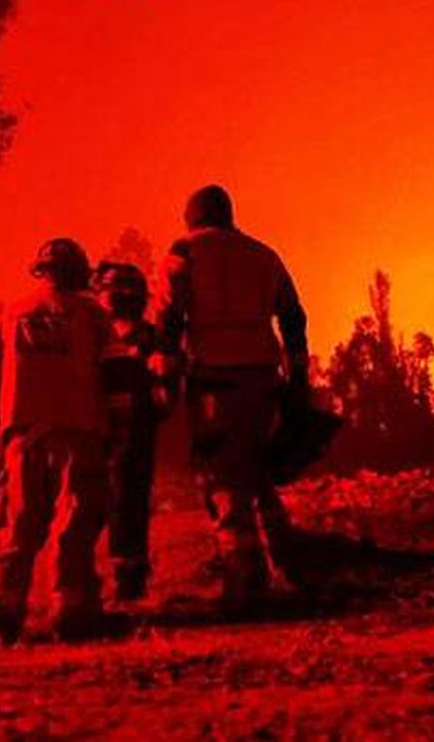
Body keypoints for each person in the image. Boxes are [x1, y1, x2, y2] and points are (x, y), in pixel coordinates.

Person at [157, 185, 309, 613]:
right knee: (257, 467)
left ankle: (244, 577)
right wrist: (298, 375)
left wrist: (165, 374)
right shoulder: (264, 254)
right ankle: (288, 560)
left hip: (213, 379)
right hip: (262, 378)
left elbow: (169, 315)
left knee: (220, 474)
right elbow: (294, 317)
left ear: (192, 217)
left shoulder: (183, 252)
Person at [0, 238, 111, 644]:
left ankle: (5, 604)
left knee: (19, 521)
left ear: (41, 271)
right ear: (78, 273)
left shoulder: (12, 312)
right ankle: (70, 609)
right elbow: (117, 372)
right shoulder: (91, 314)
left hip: (23, 433)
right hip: (78, 429)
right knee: (73, 521)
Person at [93, 261, 166, 602]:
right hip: (129, 430)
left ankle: (122, 578)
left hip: (109, 431)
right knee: (127, 503)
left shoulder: (98, 337)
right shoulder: (149, 338)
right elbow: (166, 391)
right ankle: (126, 577)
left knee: (119, 503)